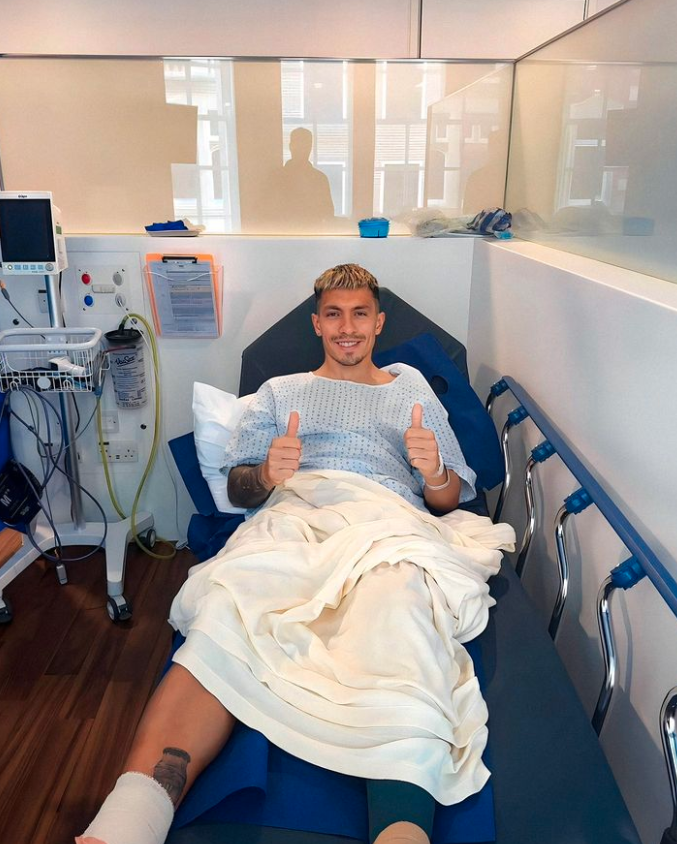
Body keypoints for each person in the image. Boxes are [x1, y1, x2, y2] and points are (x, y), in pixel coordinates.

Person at [78, 264, 512, 844]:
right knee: (230, 607)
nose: (347, 327)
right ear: (317, 323)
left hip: (385, 519)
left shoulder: (410, 388)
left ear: (379, 322)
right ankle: (131, 821)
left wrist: (433, 470)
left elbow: (447, 499)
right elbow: (240, 491)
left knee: (401, 607)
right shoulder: (279, 393)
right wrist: (264, 473)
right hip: (295, 517)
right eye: (334, 314)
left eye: (360, 314)